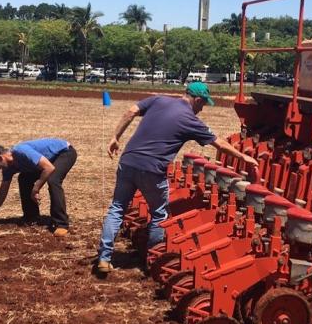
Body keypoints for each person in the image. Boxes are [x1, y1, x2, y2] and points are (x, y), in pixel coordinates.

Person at [95, 82, 258, 274]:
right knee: (159, 214)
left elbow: (131, 111)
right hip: (152, 169)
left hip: (128, 162)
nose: (202, 108)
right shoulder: (190, 120)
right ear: (197, 100)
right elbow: (220, 144)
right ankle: (153, 261)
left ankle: (104, 258)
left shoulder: (158, 100)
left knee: (117, 208)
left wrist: (115, 137)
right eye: (203, 104)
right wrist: (243, 157)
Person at [0, 138, 77, 237]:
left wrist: (36, 189)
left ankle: (61, 223)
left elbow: (49, 168)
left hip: (64, 152)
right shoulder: (8, 168)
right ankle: (31, 217)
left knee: (53, 180)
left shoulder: (21, 151)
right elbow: (2, 191)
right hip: (47, 162)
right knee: (24, 179)